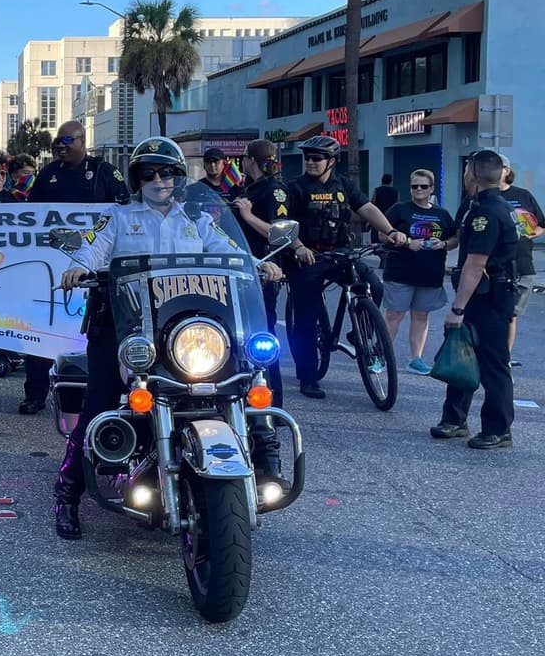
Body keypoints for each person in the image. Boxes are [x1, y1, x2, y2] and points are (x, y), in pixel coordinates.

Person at [52, 137, 284, 539]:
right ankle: (67, 493)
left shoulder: (199, 221)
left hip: (189, 329)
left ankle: (266, 467)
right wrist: (78, 268)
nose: (159, 180)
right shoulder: (119, 218)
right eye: (149, 174)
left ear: (179, 178)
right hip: (128, 327)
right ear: (138, 179)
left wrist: (260, 266)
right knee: (99, 405)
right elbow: (90, 250)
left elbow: (232, 252)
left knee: (246, 382)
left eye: (167, 173)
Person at [18, 121, 130, 416]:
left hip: (94, 270)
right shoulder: (48, 174)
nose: (60, 146)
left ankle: (94, 395)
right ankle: (35, 393)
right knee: (41, 327)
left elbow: (123, 209)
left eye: (67, 140)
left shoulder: (104, 172)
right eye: (57, 141)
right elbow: (28, 215)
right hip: (49, 266)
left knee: (89, 337)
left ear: (82, 140)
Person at [283, 136, 408, 399]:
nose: (311, 162)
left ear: (331, 161)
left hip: (341, 253)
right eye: (308, 157)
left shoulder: (344, 185)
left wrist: (391, 230)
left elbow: (367, 208)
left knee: (374, 285)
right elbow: (282, 225)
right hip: (308, 258)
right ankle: (308, 377)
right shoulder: (295, 187)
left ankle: (360, 332)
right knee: (306, 318)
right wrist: (299, 247)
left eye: (317, 158)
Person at [431, 151, 518, 450]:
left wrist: (458, 308)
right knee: (461, 353)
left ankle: (498, 428)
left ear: (473, 175)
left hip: (488, 297)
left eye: (467, 169)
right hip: (480, 295)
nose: (465, 173)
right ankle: (454, 420)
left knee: (493, 364)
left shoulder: (487, 212)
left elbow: (475, 264)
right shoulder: (477, 205)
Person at [231, 138, 289, 440]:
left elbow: (280, 233)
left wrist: (248, 215)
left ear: (252, 160)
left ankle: (270, 401)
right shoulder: (245, 190)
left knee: (263, 335)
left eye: (244, 158)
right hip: (235, 270)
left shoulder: (273, 190)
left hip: (263, 270)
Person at [378, 168, 457, 375]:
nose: (419, 190)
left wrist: (444, 243)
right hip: (400, 272)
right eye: (415, 186)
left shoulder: (442, 214)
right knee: (394, 315)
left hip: (430, 274)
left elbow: (455, 238)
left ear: (432, 188)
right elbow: (382, 234)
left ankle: (416, 359)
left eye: (423, 186)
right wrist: (406, 242)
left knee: (421, 316)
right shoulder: (399, 210)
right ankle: (380, 356)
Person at [497, 159, 543, 363]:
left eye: (501, 167)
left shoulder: (523, 195)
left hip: (522, 264)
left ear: (507, 171)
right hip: (492, 266)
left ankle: (503, 356)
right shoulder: (480, 197)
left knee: (511, 315)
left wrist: (530, 233)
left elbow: (540, 224)